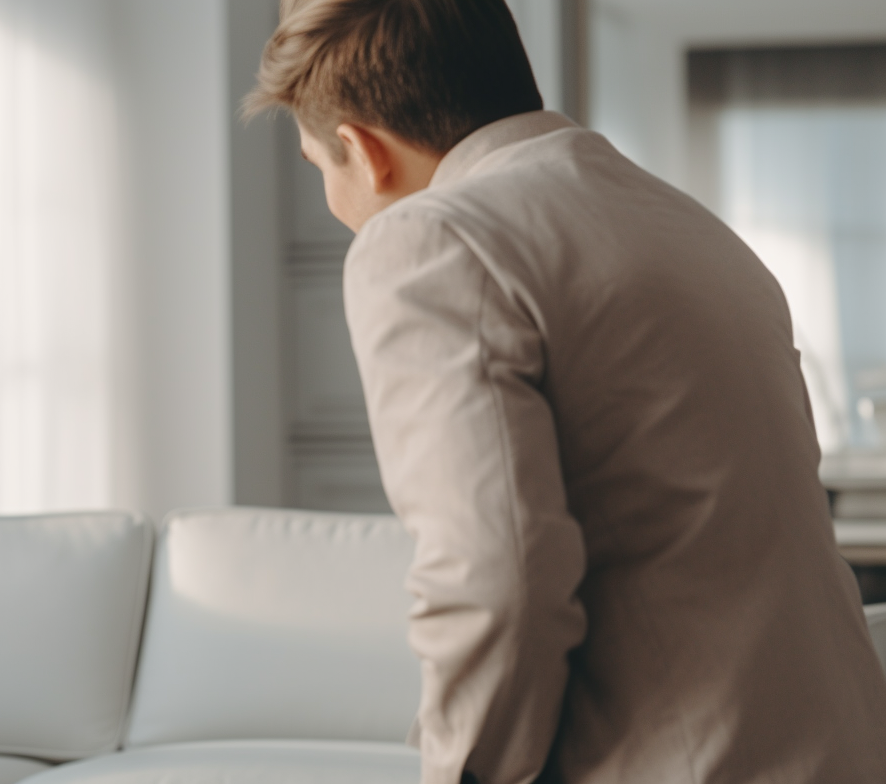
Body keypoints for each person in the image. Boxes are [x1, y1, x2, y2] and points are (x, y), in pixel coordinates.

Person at [247, 1, 886, 782]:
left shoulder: (428, 241)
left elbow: (495, 583)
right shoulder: (698, 230)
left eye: (319, 167)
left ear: (362, 151)